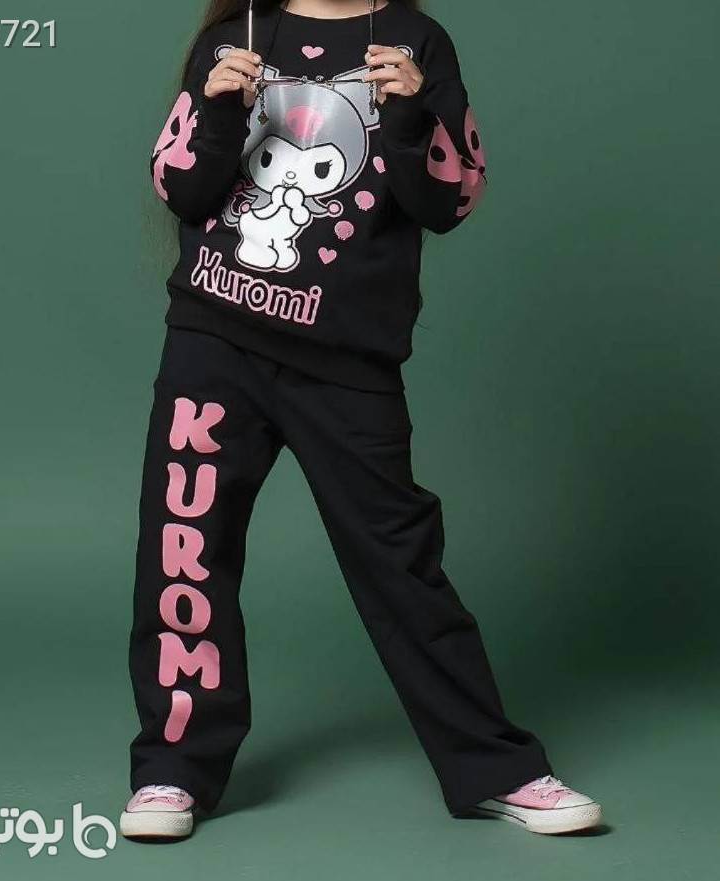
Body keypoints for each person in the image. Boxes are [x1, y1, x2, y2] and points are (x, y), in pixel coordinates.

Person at [120, 0, 602, 840]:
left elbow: (448, 203)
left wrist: (411, 115)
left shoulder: (418, 40)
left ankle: (496, 766)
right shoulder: (234, 36)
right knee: (185, 553)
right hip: (213, 345)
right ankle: (173, 768)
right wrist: (219, 108)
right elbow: (182, 190)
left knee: (400, 562)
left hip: (348, 363)